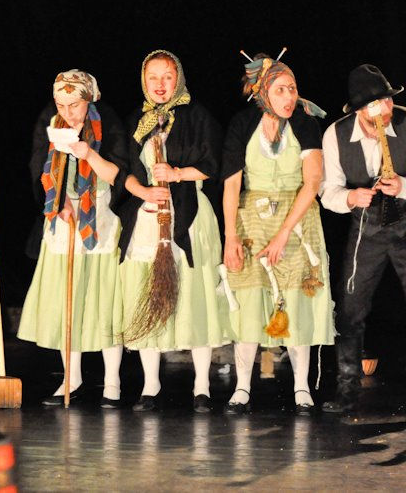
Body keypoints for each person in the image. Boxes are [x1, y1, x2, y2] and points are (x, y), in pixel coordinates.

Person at [119, 50, 231, 413]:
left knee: (195, 297)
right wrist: (144, 191)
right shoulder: (137, 119)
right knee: (149, 293)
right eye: (153, 77)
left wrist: (177, 173)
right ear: (143, 80)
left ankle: (202, 386)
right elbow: (124, 169)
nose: (160, 84)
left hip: (190, 213)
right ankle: (150, 385)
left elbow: (214, 164)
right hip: (149, 215)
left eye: (167, 76)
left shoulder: (197, 115)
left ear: (178, 78)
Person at [222, 53, 334, 415]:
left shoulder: (304, 123)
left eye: (293, 89)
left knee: (298, 301)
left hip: (297, 220)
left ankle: (302, 387)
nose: (289, 97)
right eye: (281, 90)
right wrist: (230, 237)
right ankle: (242, 386)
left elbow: (312, 182)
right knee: (250, 302)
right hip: (252, 220)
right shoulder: (242, 123)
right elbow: (231, 184)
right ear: (263, 92)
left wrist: (284, 233)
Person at [18, 69, 128, 407]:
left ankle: (112, 382)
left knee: (103, 303)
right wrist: (59, 201)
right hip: (63, 220)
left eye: (75, 105)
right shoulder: (51, 122)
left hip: (100, 216)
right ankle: (72, 379)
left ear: (89, 99)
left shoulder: (106, 121)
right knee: (68, 301)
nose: (68, 112)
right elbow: (39, 165)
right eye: (61, 105)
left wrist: (88, 157)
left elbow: (118, 170)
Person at [320, 64, 405, 413]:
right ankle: (347, 390)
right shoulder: (336, 134)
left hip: (405, 222)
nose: (384, 110)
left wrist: (403, 186)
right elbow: (328, 191)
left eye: (387, 101)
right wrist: (351, 197)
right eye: (375, 105)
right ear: (358, 110)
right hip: (367, 227)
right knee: (350, 308)